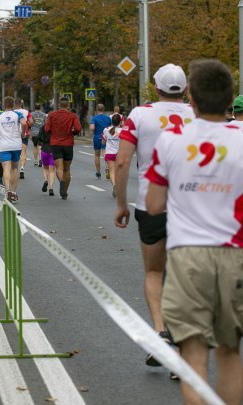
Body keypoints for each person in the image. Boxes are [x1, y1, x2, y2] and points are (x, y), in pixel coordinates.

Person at [145, 59, 242, 404]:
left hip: (187, 258)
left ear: (192, 99)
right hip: (235, 255)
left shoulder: (172, 139)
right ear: (230, 99)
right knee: (230, 353)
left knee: (194, 355)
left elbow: (154, 204)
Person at [114, 63, 195, 371]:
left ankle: (161, 331)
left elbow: (122, 161)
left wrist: (121, 203)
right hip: (191, 205)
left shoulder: (139, 115)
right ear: (185, 89)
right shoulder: (197, 115)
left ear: (156, 87)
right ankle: (188, 349)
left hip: (151, 204)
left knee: (154, 273)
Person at [44, 97, 81, 200]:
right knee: (67, 169)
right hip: (68, 144)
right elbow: (78, 129)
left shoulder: (52, 115)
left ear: (59, 105)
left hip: (56, 144)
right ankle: (65, 191)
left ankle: (61, 183)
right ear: (68, 106)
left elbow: (47, 129)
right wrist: (73, 133)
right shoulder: (73, 116)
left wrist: (53, 133)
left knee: (59, 168)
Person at [0, 97, 25, 202]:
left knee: (6, 168)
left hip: (4, 145)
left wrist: (0, 132)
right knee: (15, 168)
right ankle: (14, 192)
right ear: (13, 105)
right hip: (16, 144)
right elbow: (24, 123)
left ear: (4, 105)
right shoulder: (17, 114)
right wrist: (23, 133)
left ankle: (7, 191)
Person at [90, 103, 112, 179]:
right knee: (105, 153)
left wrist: (92, 131)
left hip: (97, 138)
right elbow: (111, 128)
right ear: (104, 109)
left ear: (97, 110)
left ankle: (98, 172)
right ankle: (108, 168)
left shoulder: (94, 118)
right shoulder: (108, 118)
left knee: (97, 155)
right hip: (106, 138)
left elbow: (92, 128)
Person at [102, 114, 121, 197]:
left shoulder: (106, 130)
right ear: (120, 121)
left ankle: (114, 185)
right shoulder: (123, 130)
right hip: (119, 153)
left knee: (111, 171)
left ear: (111, 121)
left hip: (109, 153)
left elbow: (103, 142)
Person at [13, 99, 32, 179]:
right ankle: (22, 168)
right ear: (21, 104)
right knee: (23, 151)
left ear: (14, 104)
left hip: (14, 134)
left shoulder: (12, 112)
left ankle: (14, 169)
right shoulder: (26, 112)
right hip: (24, 133)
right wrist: (28, 127)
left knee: (14, 152)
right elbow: (31, 122)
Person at [37, 118, 55, 196]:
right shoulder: (55, 128)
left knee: (45, 168)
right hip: (53, 150)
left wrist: (41, 142)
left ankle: (45, 180)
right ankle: (51, 188)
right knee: (52, 171)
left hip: (44, 149)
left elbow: (39, 137)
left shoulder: (43, 127)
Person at [30, 103, 46, 167]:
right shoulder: (44, 115)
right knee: (40, 147)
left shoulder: (31, 114)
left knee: (35, 146)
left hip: (34, 132)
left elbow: (30, 123)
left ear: (35, 107)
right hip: (41, 133)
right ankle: (40, 159)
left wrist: (30, 133)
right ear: (40, 107)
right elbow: (45, 123)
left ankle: (36, 160)